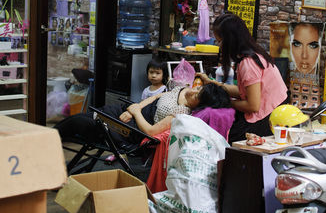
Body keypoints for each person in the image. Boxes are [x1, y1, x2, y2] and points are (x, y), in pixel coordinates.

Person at [196, 13, 288, 144]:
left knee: (229, 137)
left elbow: (252, 105)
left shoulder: (248, 63)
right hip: (275, 109)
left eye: (219, 41)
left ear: (230, 40)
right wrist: (213, 84)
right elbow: (244, 92)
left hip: (267, 118)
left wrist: (224, 102)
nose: (219, 46)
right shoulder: (255, 55)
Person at [55, 83, 233, 146]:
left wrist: (136, 113)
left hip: (131, 131)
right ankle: (47, 145)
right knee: (76, 120)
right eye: (198, 88)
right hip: (129, 114)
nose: (193, 92)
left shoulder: (182, 113)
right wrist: (137, 107)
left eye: (197, 96)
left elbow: (150, 132)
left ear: (200, 105)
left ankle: (46, 147)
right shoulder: (182, 89)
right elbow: (157, 97)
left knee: (77, 122)